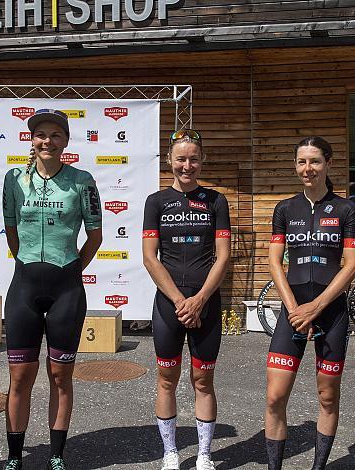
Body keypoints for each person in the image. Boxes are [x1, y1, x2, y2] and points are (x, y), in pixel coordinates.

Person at [1, 109, 103, 470]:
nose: (47, 141)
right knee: (20, 376)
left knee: (60, 375)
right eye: (40, 135)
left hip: (67, 288)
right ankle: (15, 456)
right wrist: (28, 262)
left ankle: (57, 455)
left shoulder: (82, 180)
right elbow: (11, 231)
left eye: (55, 135)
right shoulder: (14, 179)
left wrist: (73, 271)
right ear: (32, 140)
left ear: (66, 141)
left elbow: (95, 235)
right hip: (24, 284)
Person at [264, 136, 355, 470]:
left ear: (328, 163)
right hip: (292, 310)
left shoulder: (346, 209)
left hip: (330, 311)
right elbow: (275, 262)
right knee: (275, 397)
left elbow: (351, 263)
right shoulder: (285, 208)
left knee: (327, 396)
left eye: (315, 161)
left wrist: (316, 307)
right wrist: (293, 310)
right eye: (302, 162)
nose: (308, 169)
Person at [142, 129, 231, 470]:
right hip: (169, 304)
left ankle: (205, 455)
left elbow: (222, 257)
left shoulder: (216, 201)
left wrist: (199, 300)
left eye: (194, 158)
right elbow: (151, 257)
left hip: (206, 303)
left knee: (203, 380)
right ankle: (170, 453)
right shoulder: (157, 202)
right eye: (181, 158)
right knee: (166, 379)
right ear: (170, 160)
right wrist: (182, 301)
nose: (187, 165)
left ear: (202, 161)